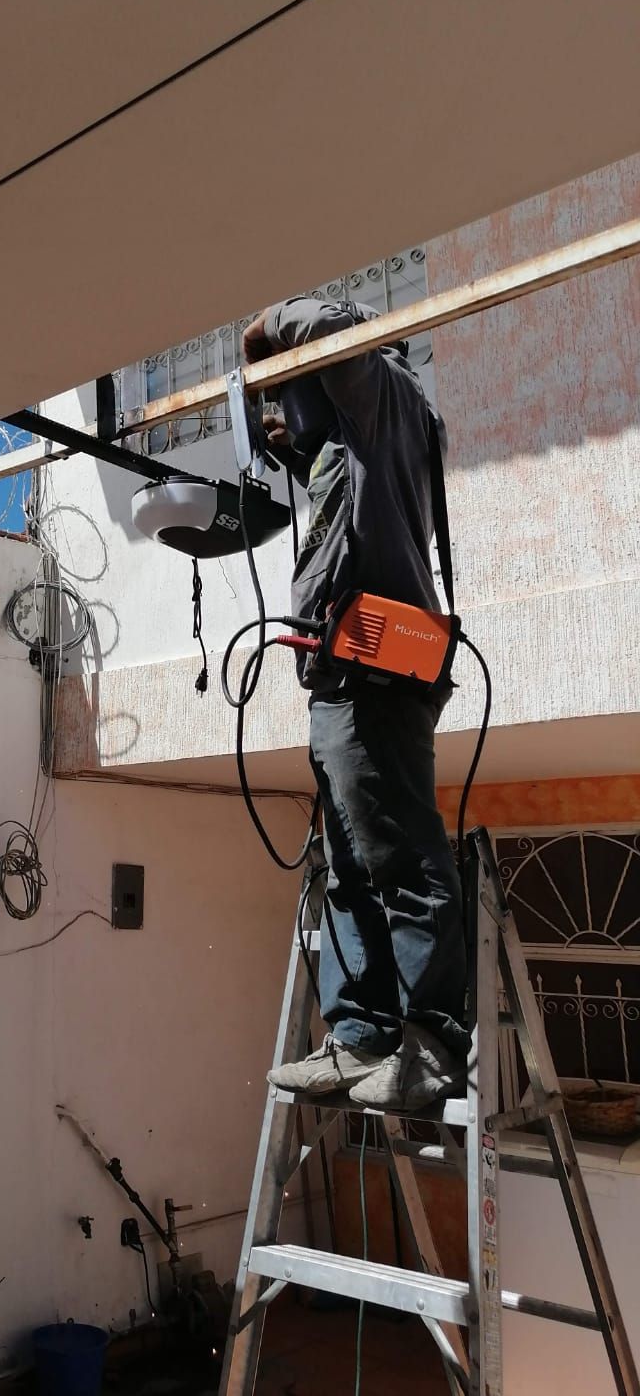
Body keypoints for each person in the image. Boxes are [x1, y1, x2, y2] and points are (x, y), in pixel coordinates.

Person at [243, 296, 468, 1112]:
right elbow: (354, 512)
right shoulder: (364, 434)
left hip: (378, 672)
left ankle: (435, 1041)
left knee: (401, 858)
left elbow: (326, 332)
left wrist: (263, 325)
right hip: (349, 672)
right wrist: (298, 440)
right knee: (349, 862)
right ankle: (361, 1035)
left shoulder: (385, 395)